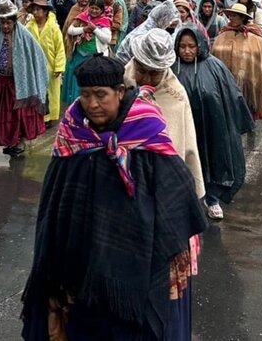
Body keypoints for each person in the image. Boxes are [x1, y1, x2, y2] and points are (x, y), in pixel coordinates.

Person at [21, 55, 207, 341]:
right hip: (80, 259)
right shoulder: (73, 133)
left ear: (120, 91)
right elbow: (56, 200)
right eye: (85, 95)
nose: (93, 104)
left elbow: (176, 191)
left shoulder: (145, 128)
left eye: (101, 95)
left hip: (138, 258)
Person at [174, 26, 253, 221]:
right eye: (182, 46)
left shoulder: (215, 66)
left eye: (191, 46)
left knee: (212, 160)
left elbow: (232, 95)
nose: (186, 51)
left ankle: (212, 199)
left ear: (199, 45)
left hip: (211, 126)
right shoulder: (170, 67)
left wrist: (238, 121)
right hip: (182, 127)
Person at [124, 29, 205, 201]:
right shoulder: (120, 83)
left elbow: (185, 146)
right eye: (141, 70)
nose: (146, 79)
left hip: (159, 183)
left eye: (154, 73)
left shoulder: (175, 96)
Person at [0, 0, 49, 157]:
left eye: (8, 23)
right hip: (1, 83)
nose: (5, 26)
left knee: (20, 116)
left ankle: (20, 142)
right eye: (2, 23)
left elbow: (38, 58)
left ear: (15, 21)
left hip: (19, 86)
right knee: (5, 117)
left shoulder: (25, 36)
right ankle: (10, 141)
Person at [212, 3, 262, 119]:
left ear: (243, 17)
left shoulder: (255, 37)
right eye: (230, 15)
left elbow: (261, 57)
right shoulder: (223, 35)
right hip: (227, 80)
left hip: (248, 80)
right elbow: (215, 53)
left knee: (248, 107)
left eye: (235, 16)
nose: (231, 18)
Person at [62, 0, 113, 106]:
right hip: (79, 55)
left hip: (93, 58)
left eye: (97, 9)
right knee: (76, 80)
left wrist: (95, 29)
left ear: (102, 10)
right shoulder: (82, 17)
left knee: (89, 82)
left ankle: (87, 105)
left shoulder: (104, 21)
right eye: (92, 7)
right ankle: (75, 104)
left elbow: (107, 39)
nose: (94, 11)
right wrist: (84, 29)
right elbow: (70, 30)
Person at [25, 0, 66, 124]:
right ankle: (36, 115)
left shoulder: (53, 28)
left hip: (50, 66)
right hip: (33, 66)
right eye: (34, 10)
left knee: (50, 93)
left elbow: (60, 48)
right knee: (36, 92)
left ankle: (49, 117)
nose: (35, 12)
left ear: (45, 12)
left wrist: (59, 67)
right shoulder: (29, 27)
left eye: (38, 10)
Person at [116, 0, 179, 65]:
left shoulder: (153, 30)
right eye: (170, 24)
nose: (171, 28)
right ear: (163, 20)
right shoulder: (146, 34)